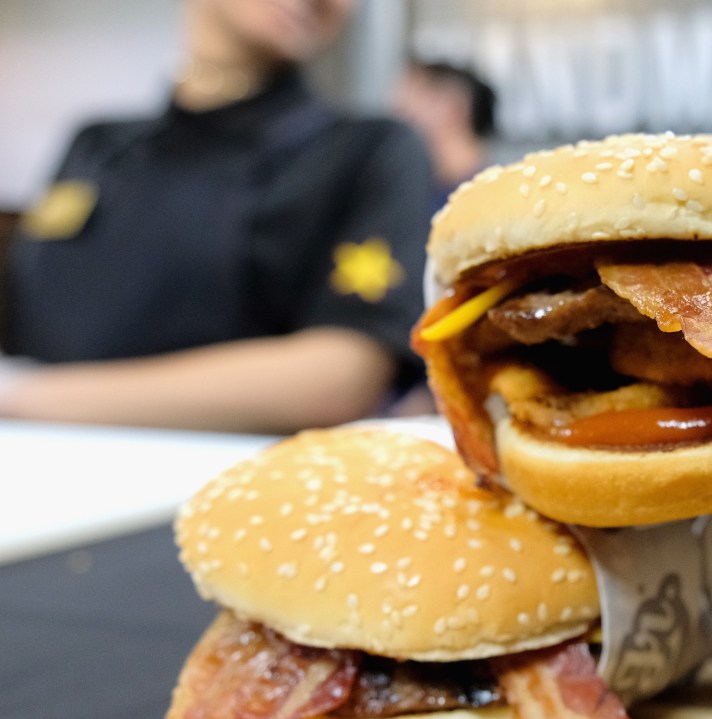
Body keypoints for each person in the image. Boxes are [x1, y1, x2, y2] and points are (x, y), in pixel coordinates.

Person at [0, 0, 433, 434]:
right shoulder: (97, 146)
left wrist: (28, 398)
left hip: (223, 484)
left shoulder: (366, 151)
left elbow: (342, 377)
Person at [392, 59, 497, 212]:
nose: (398, 134)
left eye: (406, 114)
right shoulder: (417, 193)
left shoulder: (492, 202)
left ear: (452, 110)